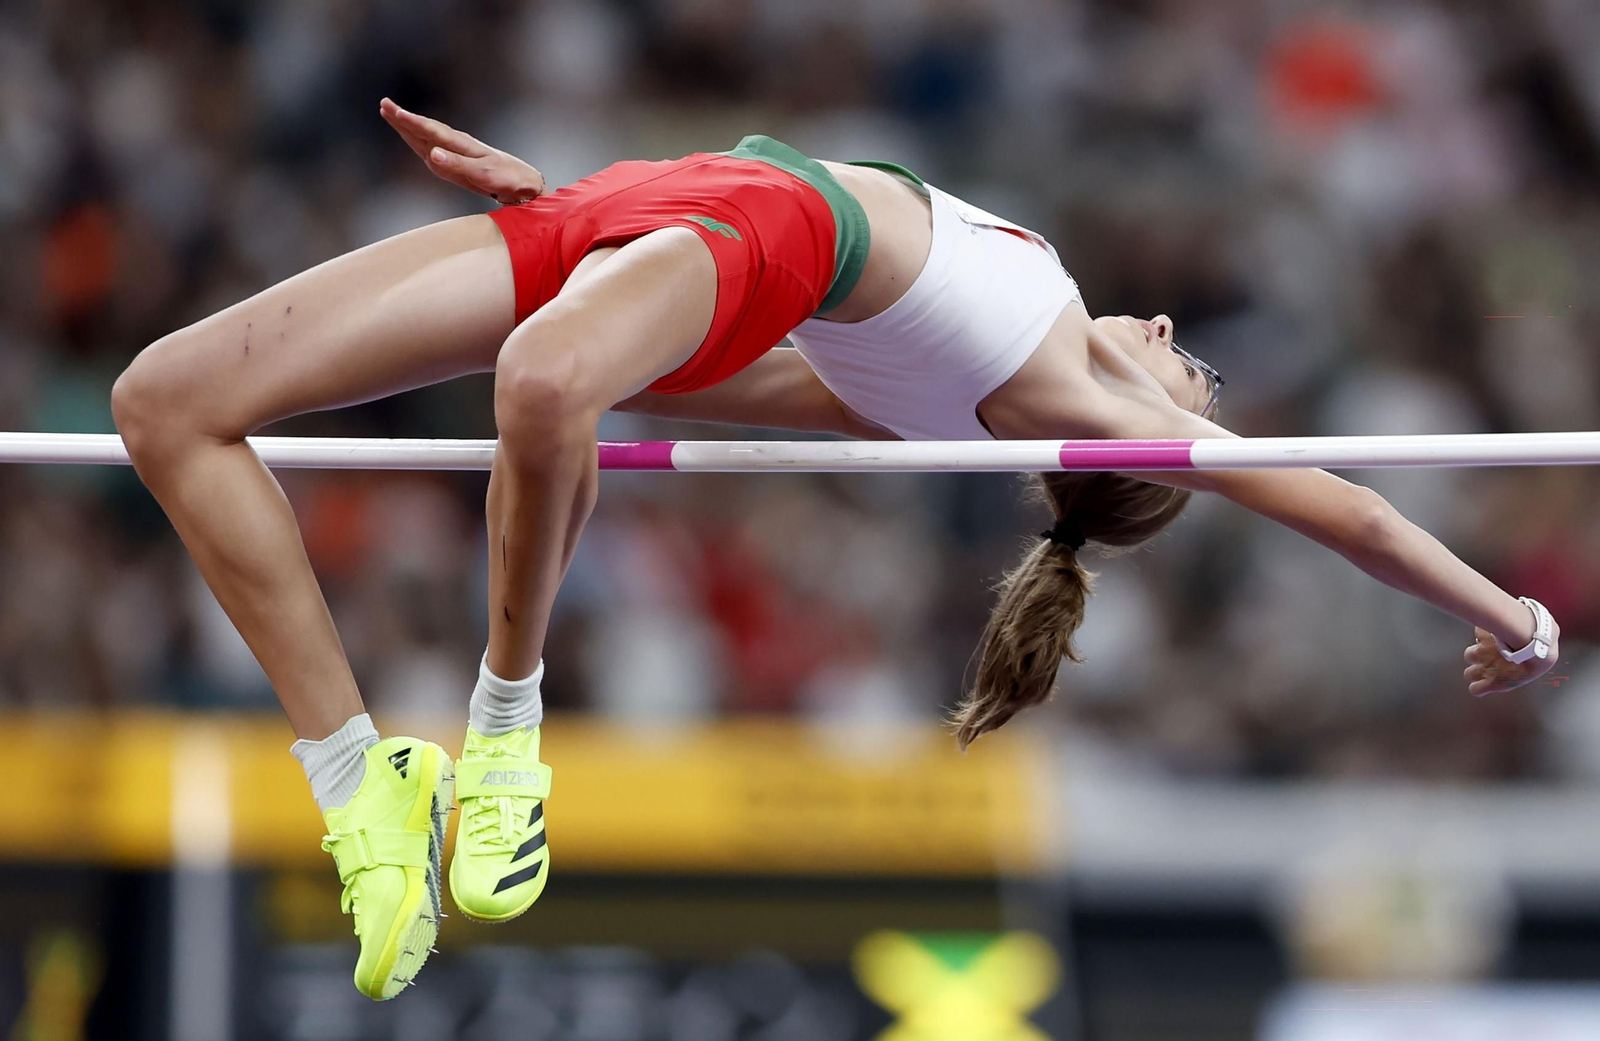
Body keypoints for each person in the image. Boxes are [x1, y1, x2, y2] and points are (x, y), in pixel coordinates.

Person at [109, 99, 1561, 998]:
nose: (1176, 343)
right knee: (166, 401)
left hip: (750, 229)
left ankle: (503, 741)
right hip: (646, 214)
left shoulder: (1065, 395)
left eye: (1197, 388)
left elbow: (1353, 510)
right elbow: (652, 357)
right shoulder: (894, 386)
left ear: (1133, 448)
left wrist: (1514, 610)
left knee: (546, 386)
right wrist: (573, 198)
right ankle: (362, 785)